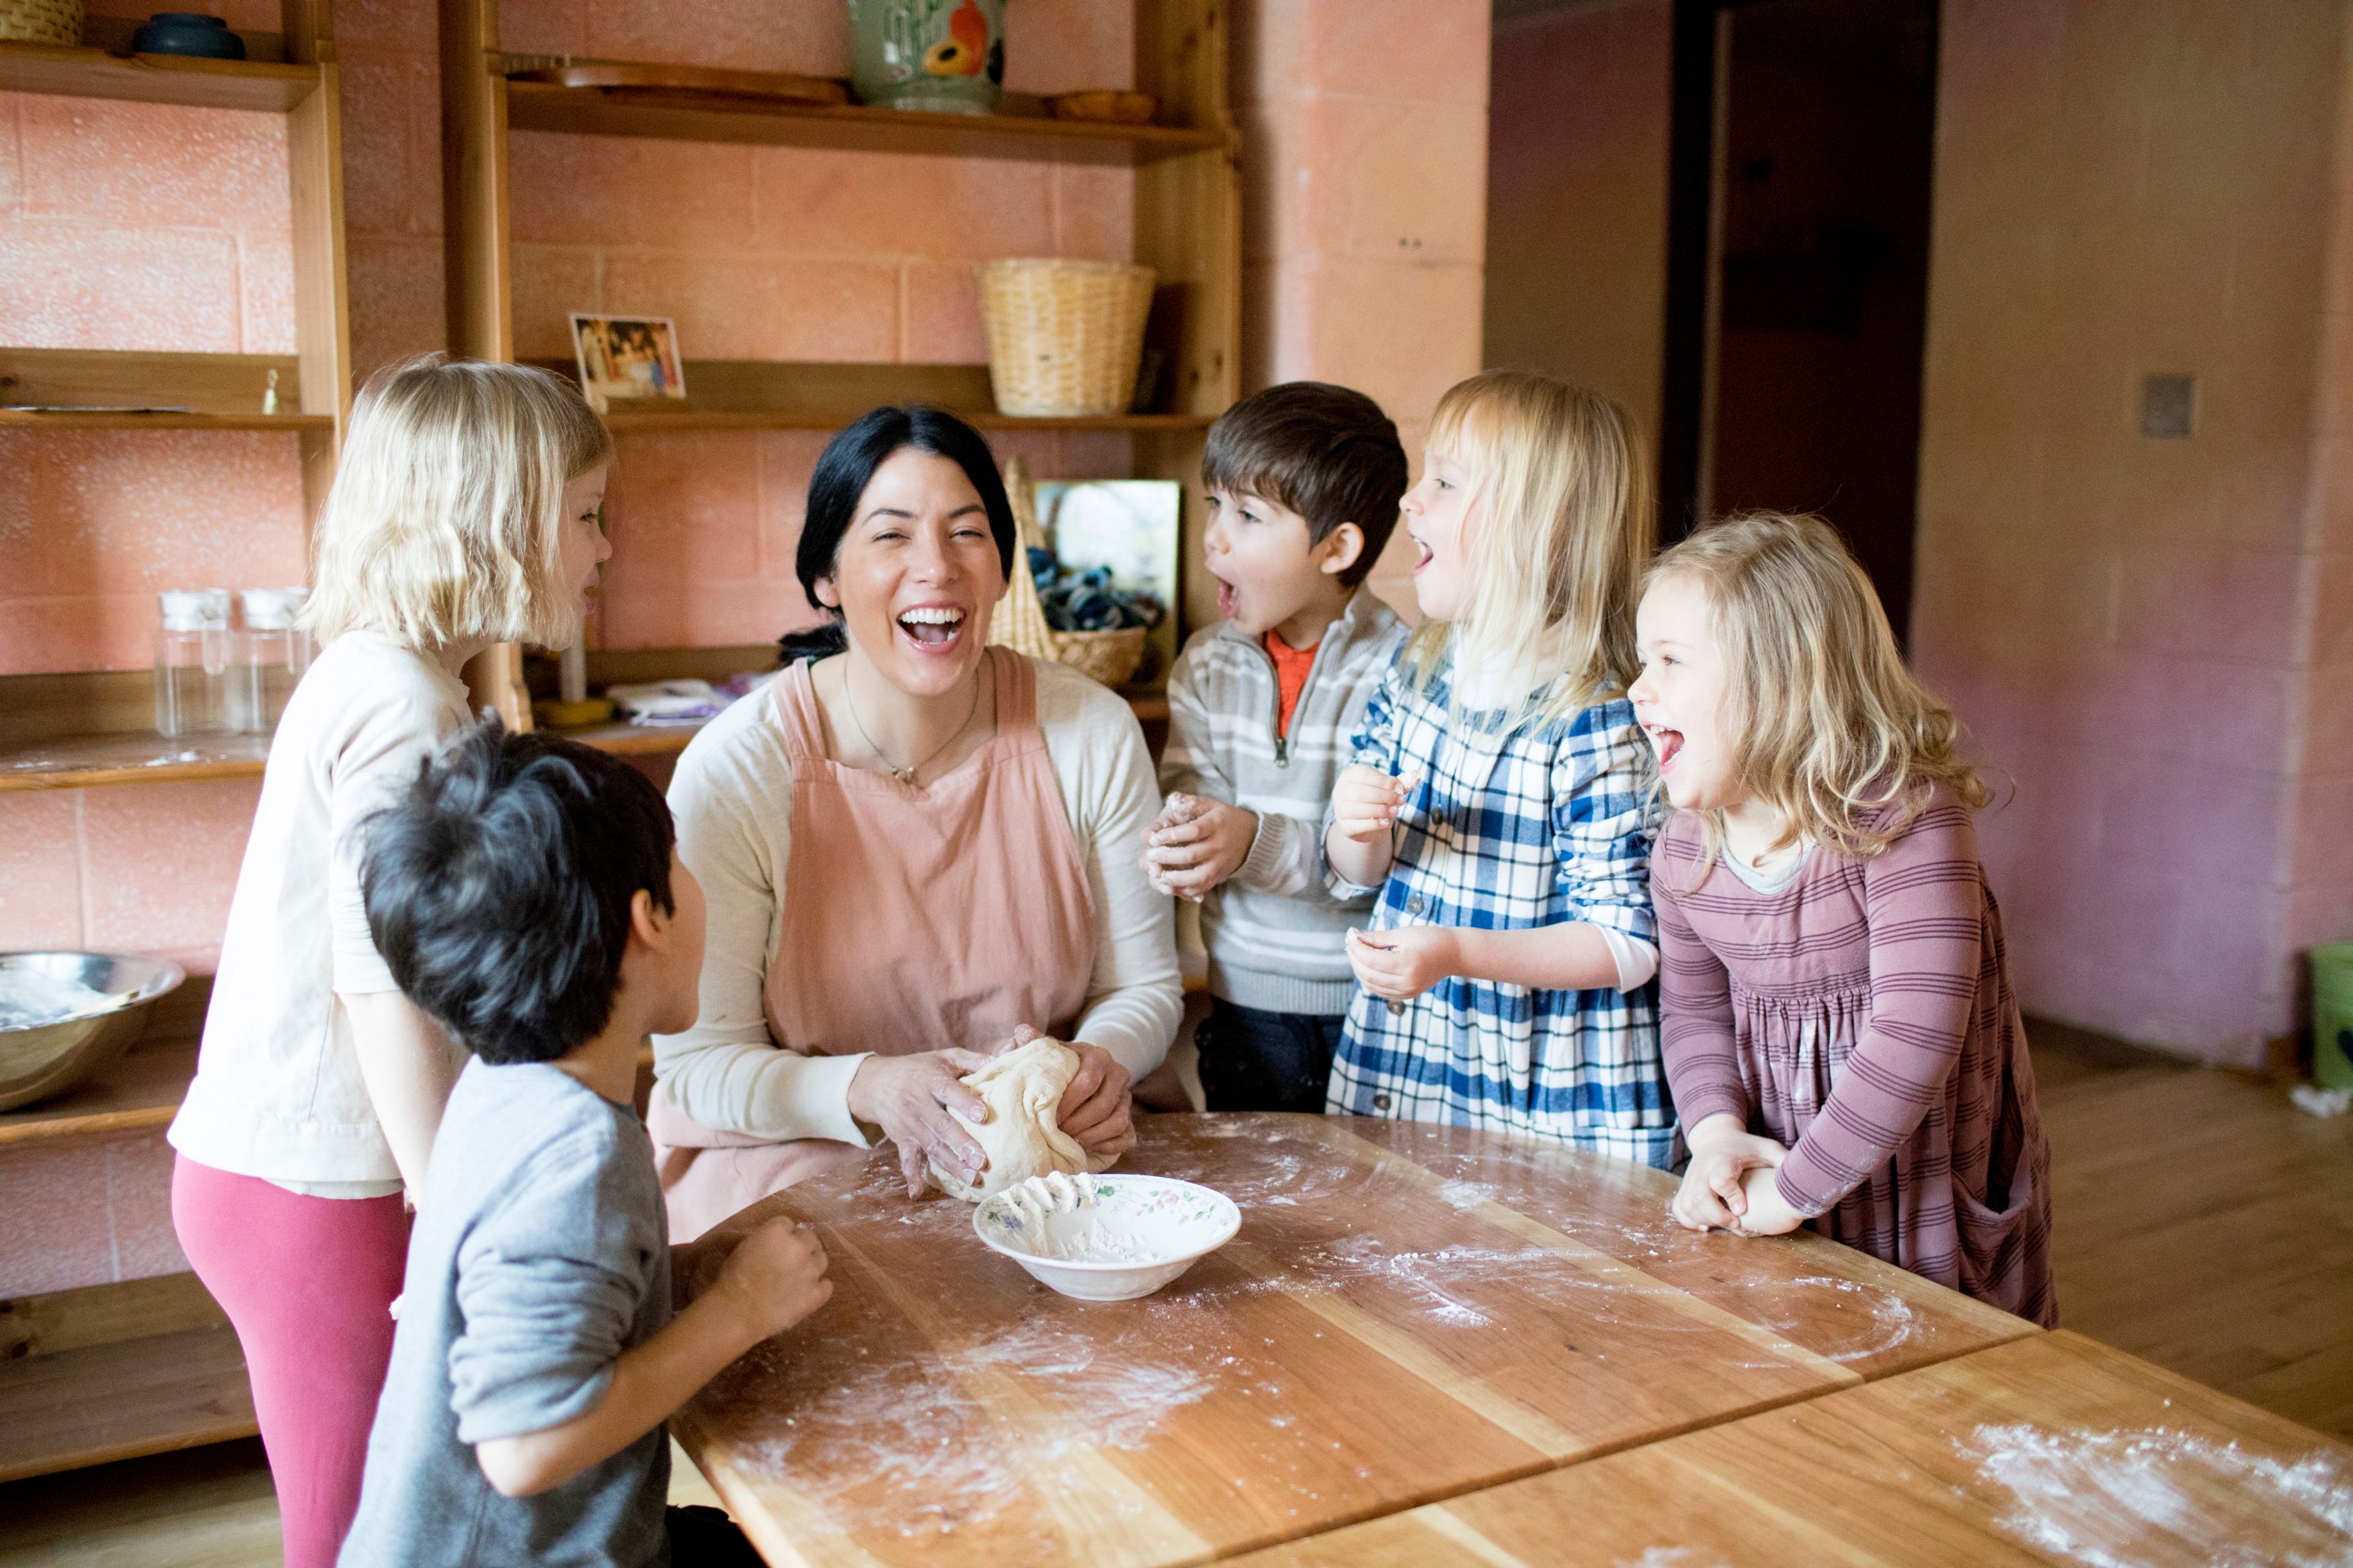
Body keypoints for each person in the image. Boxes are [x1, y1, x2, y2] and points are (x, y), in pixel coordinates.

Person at [167, 356, 612, 1568]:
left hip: (292, 1176)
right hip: (318, 1184)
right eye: (583, 514)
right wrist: (448, 1199)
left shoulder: (405, 679)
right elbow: (379, 977)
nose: (601, 547)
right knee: (362, 1530)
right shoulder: (400, 703)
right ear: (497, 521)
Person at [649, 405, 1181, 1234]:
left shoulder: (1090, 731)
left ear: (1004, 568)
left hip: (1042, 1175)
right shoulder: (738, 770)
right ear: (825, 577)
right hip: (798, 1170)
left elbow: (1139, 986)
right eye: (891, 536)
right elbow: (699, 1064)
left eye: (966, 533)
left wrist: (1095, 1064)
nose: (935, 567)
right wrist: (867, 1087)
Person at [340, 723, 826, 1567]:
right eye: (680, 862)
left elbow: (558, 1280)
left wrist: (689, 1266)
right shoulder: (577, 1155)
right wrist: (737, 1311)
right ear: (649, 920)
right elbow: (524, 1443)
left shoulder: (504, 1085)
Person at [1632, 512, 2056, 1325]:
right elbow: (1692, 1011)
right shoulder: (1684, 851)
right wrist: (1716, 1138)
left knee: (1941, 1377)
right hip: (1774, 1177)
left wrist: (1797, 1186)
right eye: (1639, 661)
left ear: (1781, 680)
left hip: (1920, 1182)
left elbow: (1913, 1029)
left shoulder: (1903, 820)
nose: (1635, 688)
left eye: (1669, 662)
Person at [1322, 371, 1673, 1165]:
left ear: (1538, 527)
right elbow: (1354, 871)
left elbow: (1628, 943)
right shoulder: (1417, 668)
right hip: (1415, 1059)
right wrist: (1354, 828)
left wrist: (1455, 952)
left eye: (1443, 481)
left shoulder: (1594, 719)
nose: (1410, 500)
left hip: (1541, 1098)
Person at [1143, 382, 1410, 1111]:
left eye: (1248, 514)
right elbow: (1193, 792)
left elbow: (1374, 865)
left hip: (1371, 1007)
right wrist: (1186, 838)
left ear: (1336, 547)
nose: (1214, 538)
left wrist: (1248, 841)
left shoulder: (1405, 672)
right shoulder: (1205, 662)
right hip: (1242, 1006)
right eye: (1213, 505)